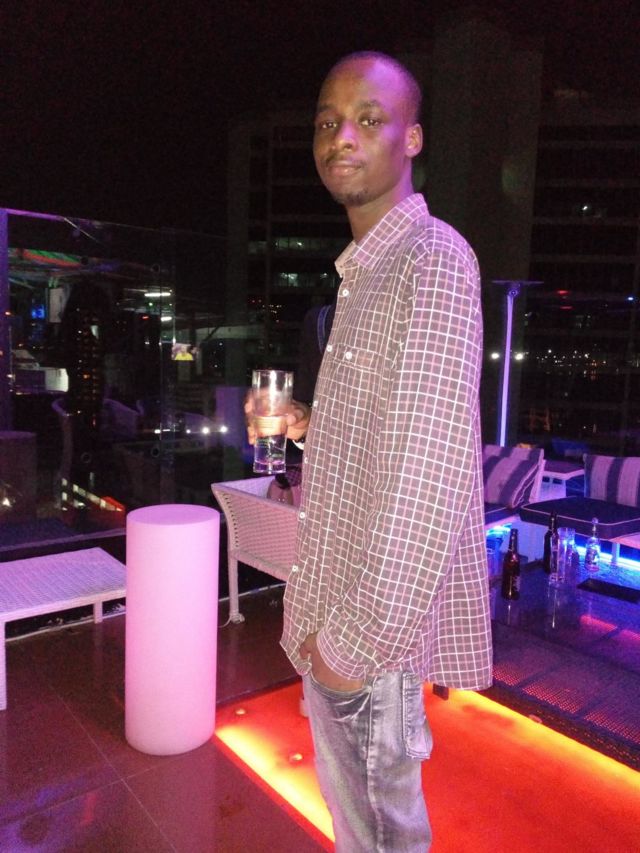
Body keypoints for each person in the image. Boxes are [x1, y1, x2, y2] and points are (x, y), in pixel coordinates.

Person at [278, 51, 493, 852]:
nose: (342, 137)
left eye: (369, 120)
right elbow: (388, 435)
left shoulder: (431, 261)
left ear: (412, 139)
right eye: (328, 122)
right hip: (338, 610)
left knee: (379, 840)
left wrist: (352, 648)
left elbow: (429, 474)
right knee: (359, 832)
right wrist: (311, 423)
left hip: (370, 638)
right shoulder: (364, 275)